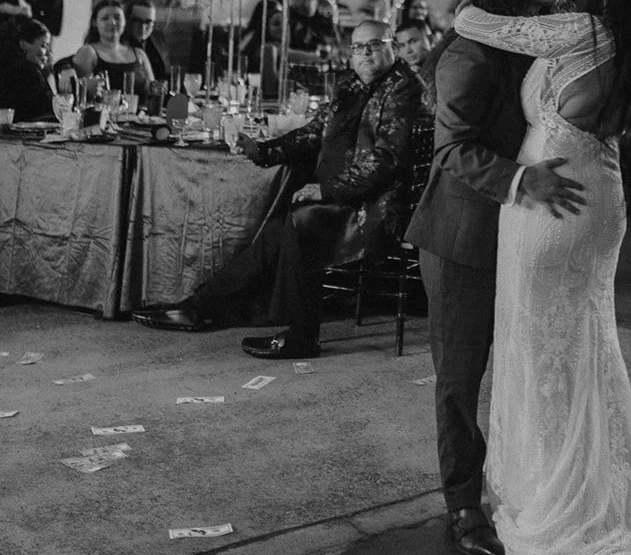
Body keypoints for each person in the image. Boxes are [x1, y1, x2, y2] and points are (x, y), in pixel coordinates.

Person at [452, 0, 631, 555]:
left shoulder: (582, 28)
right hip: (594, 194)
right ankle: (583, 491)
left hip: (552, 203)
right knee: (579, 349)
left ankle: (557, 503)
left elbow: (473, 21)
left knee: (542, 350)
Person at [405, 0, 582, 555]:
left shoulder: (533, 38)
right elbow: (452, 150)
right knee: (460, 378)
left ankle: (523, 486)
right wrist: (521, 178)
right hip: (463, 236)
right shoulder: (470, 52)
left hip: (522, 234)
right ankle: (462, 507)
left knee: (522, 366)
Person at [131, 20, 426, 358]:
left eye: (374, 45)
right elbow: (314, 132)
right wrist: (263, 150)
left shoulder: (404, 88)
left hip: (376, 208)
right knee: (275, 231)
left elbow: (387, 159)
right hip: (345, 201)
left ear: (393, 47)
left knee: (301, 224)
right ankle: (199, 307)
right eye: (358, 47)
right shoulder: (351, 85)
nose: (365, 54)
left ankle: (301, 337)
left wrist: (327, 190)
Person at [72, 0, 152, 97]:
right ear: (95, 23)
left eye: (117, 18)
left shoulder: (139, 54)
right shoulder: (88, 51)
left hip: (140, 112)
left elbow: (153, 91)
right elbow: (78, 92)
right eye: (105, 18)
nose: (113, 22)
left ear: (125, 22)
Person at [0, 16, 55, 122]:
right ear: (24, 44)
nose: (49, 53)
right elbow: (51, 109)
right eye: (43, 46)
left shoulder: (8, 67)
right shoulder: (30, 72)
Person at [123, 0, 169, 82]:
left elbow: (167, 74)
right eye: (137, 21)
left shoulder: (158, 38)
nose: (143, 27)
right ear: (127, 20)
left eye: (148, 22)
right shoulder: (118, 44)